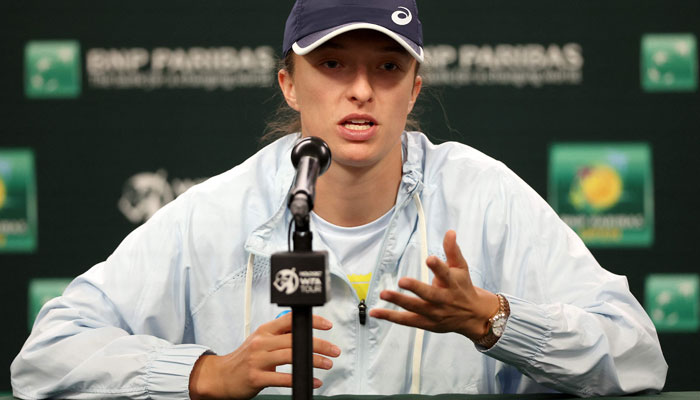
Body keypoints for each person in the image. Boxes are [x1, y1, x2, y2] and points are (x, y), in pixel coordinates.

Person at [12, 0, 667, 398]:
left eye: (387, 67)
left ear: (414, 90)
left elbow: (638, 354)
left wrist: (496, 321)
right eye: (333, 64)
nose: (360, 89)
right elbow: (47, 357)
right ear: (289, 84)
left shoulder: (483, 197)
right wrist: (205, 374)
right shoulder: (218, 213)